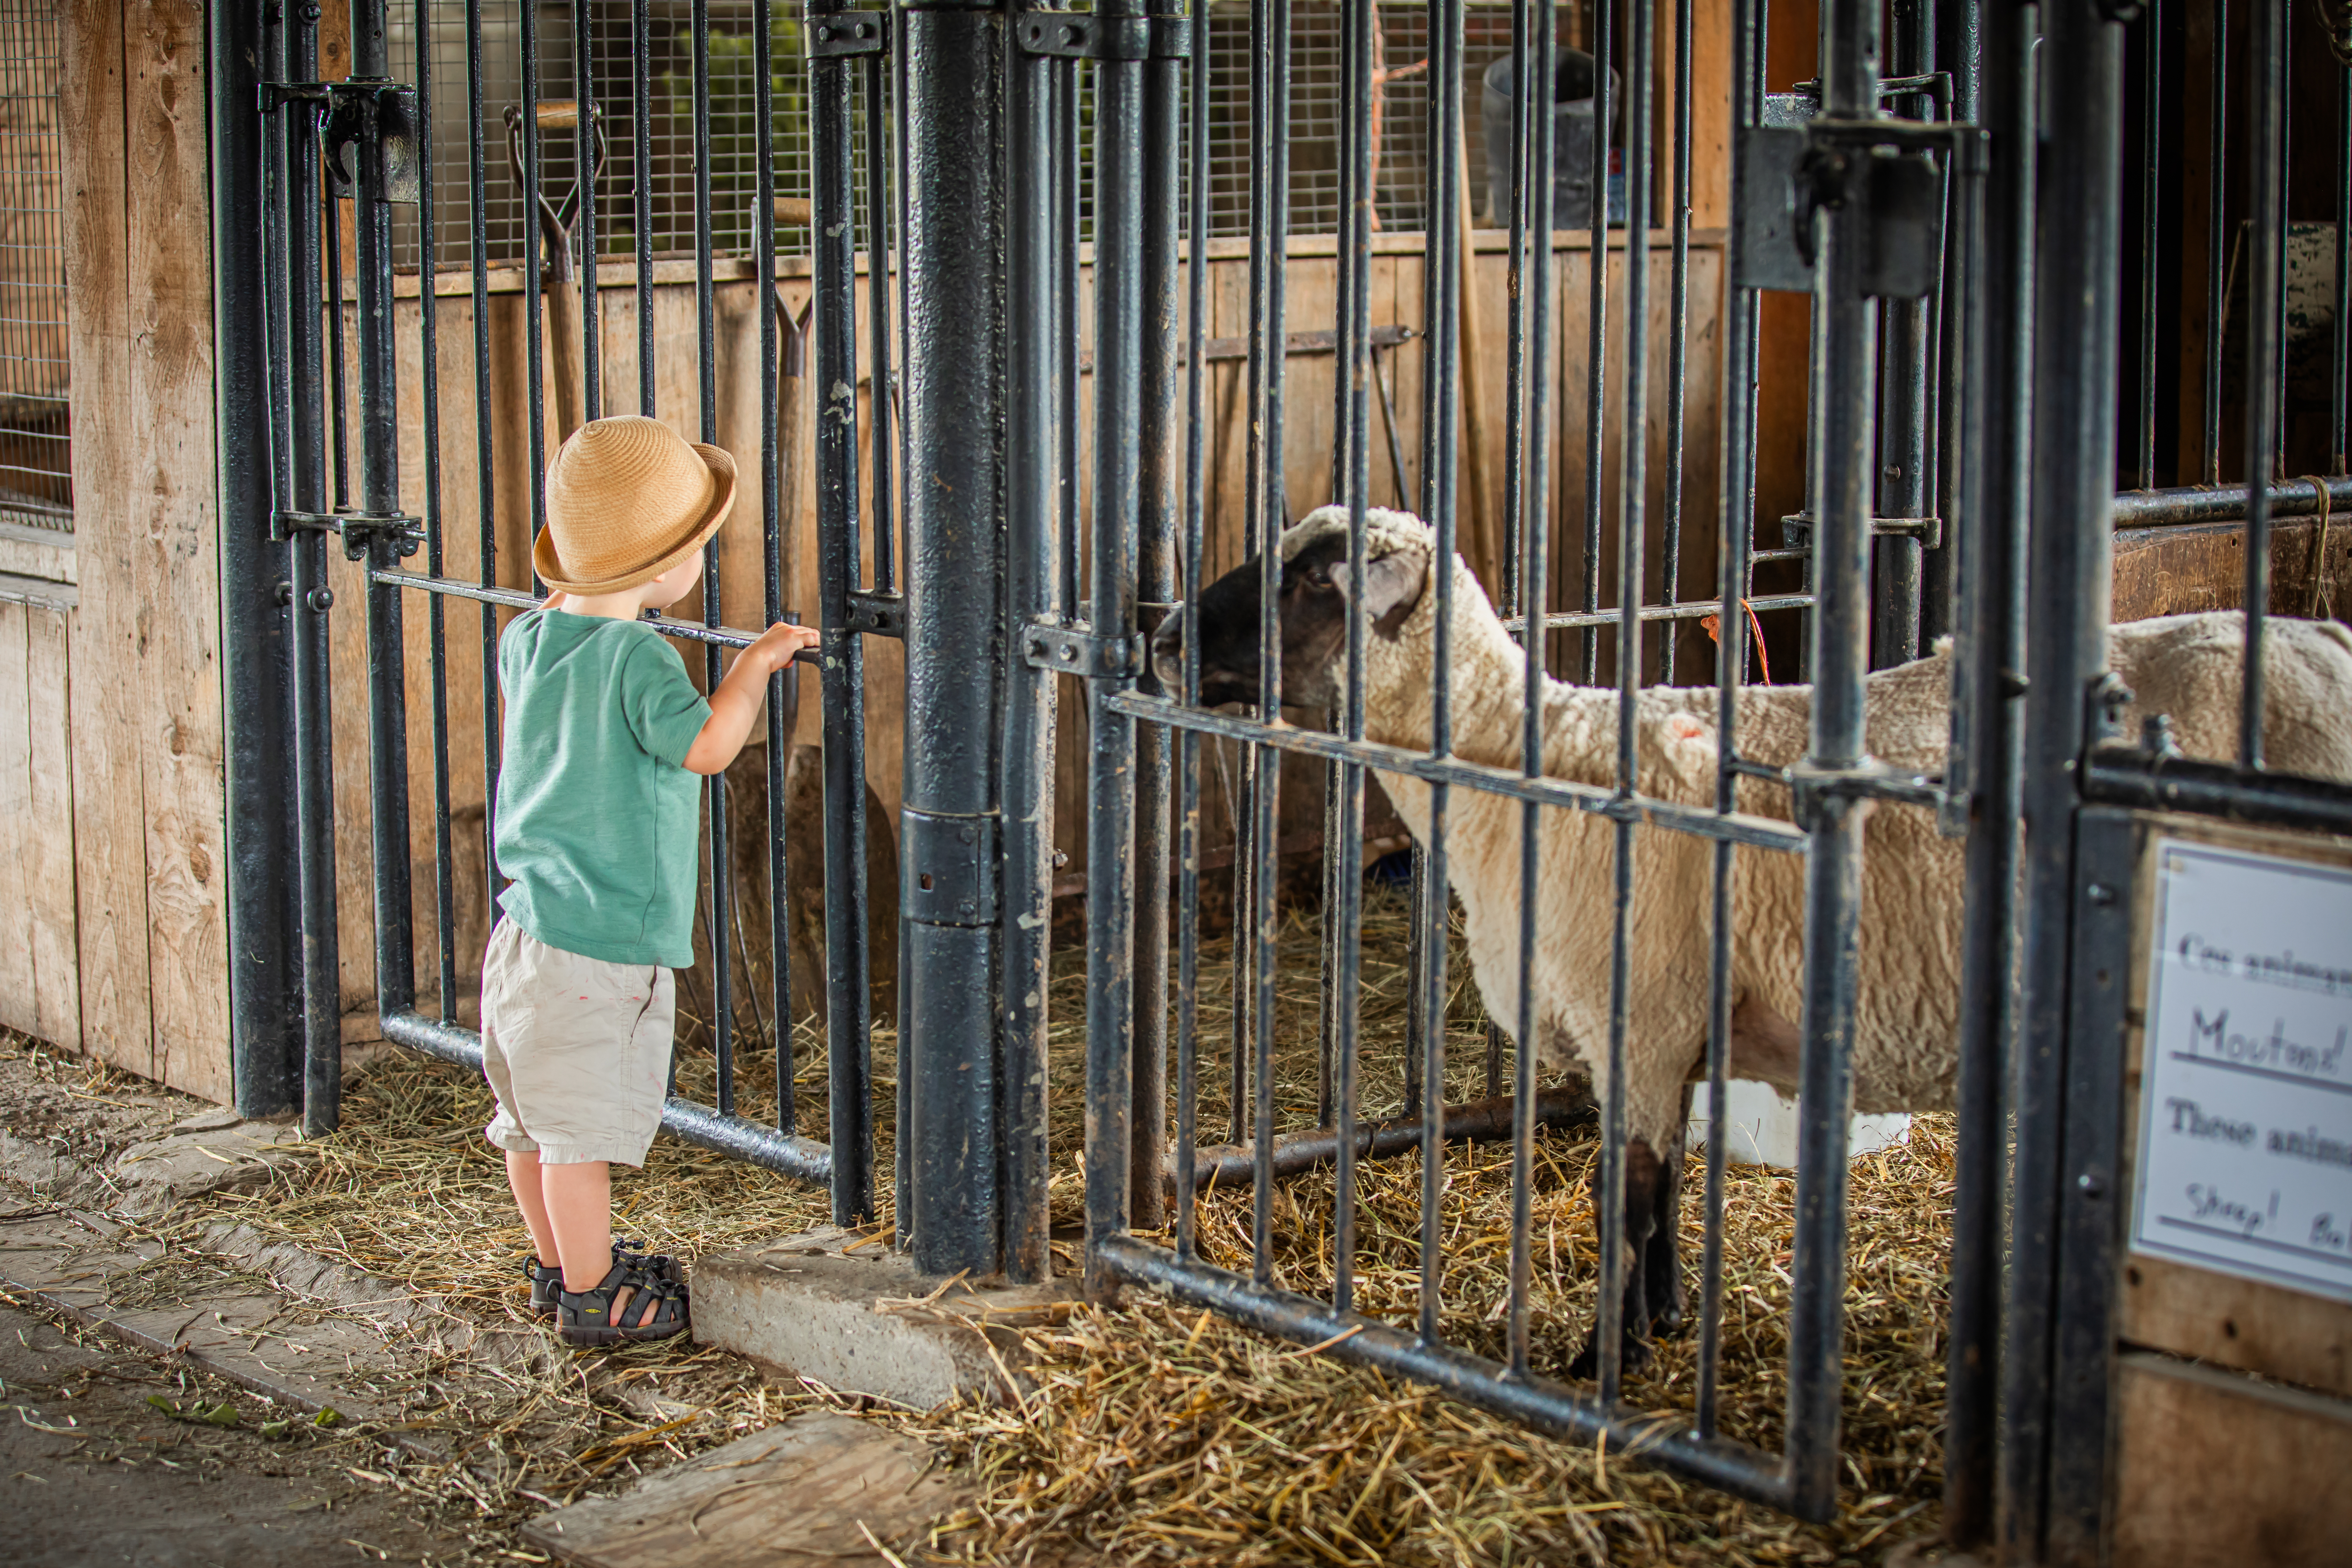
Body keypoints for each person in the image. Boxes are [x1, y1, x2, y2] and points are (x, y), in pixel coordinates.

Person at [482, 415, 817, 1346]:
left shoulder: (529, 638)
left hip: (526, 932)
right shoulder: (640, 657)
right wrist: (752, 669)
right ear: (664, 566)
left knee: (529, 1125)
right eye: (699, 548)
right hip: (602, 944)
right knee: (578, 1140)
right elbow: (708, 747)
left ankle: (557, 1268)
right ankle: (596, 1299)